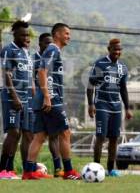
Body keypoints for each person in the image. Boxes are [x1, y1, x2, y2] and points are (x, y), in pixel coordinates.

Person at [22, 23, 81, 180]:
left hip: (41, 99)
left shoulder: (53, 50)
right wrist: (48, 96)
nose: (69, 36)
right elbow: (42, 72)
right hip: (51, 98)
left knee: (39, 137)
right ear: (57, 34)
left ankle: (28, 172)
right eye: (66, 33)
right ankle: (68, 171)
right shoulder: (53, 49)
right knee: (65, 132)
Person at [87, 38, 133, 177]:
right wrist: (90, 104)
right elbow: (90, 86)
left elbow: (123, 89)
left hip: (116, 107)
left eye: (119, 50)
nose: (117, 52)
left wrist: (127, 108)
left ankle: (111, 169)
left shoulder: (123, 68)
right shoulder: (100, 64)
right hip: (101, 105)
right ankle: (96, 168)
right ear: (109, 49)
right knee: (101, 137)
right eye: (115, 49)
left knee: (114, 138)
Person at [0, 20, 33, 179]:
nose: (26, 38)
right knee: (13, 132)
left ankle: (21, 170)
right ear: (15, 35)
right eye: (23, 35)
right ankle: (2, 169)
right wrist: (14, 97)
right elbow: (6, 75)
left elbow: (27, 76)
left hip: (26, 99)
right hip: (11, 97)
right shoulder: (9, 50)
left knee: (24, 134)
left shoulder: (26, 52)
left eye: (28, 35)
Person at [30, 33, 63, 177]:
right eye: (45, 43)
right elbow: (32, 79)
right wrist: (41, 96)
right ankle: (30, 169)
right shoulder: (34, 59)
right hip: (42, 99)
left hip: (52, 98)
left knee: (52, 135)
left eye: (50, 43)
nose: (48, 46)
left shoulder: (53, 55)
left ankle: (57, 169)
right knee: (61, 133)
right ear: (40, 44)